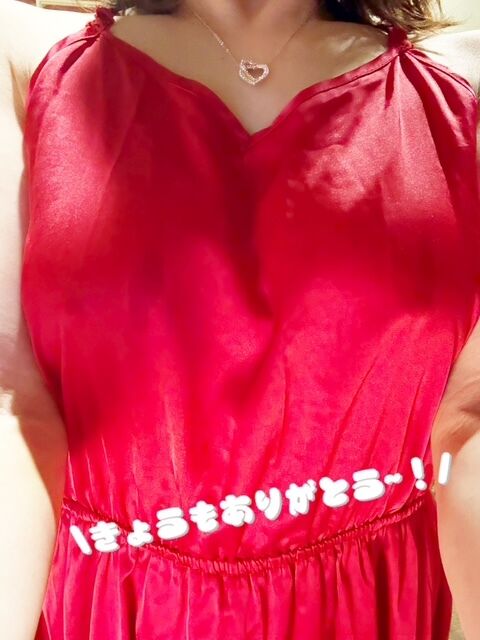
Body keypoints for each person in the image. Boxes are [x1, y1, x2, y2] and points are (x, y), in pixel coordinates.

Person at [1, 0, 480, 637]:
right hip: (119, 603)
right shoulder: (23, 59)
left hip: (361, 605)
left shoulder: (458, 88)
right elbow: (13, 403)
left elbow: (467, 418)